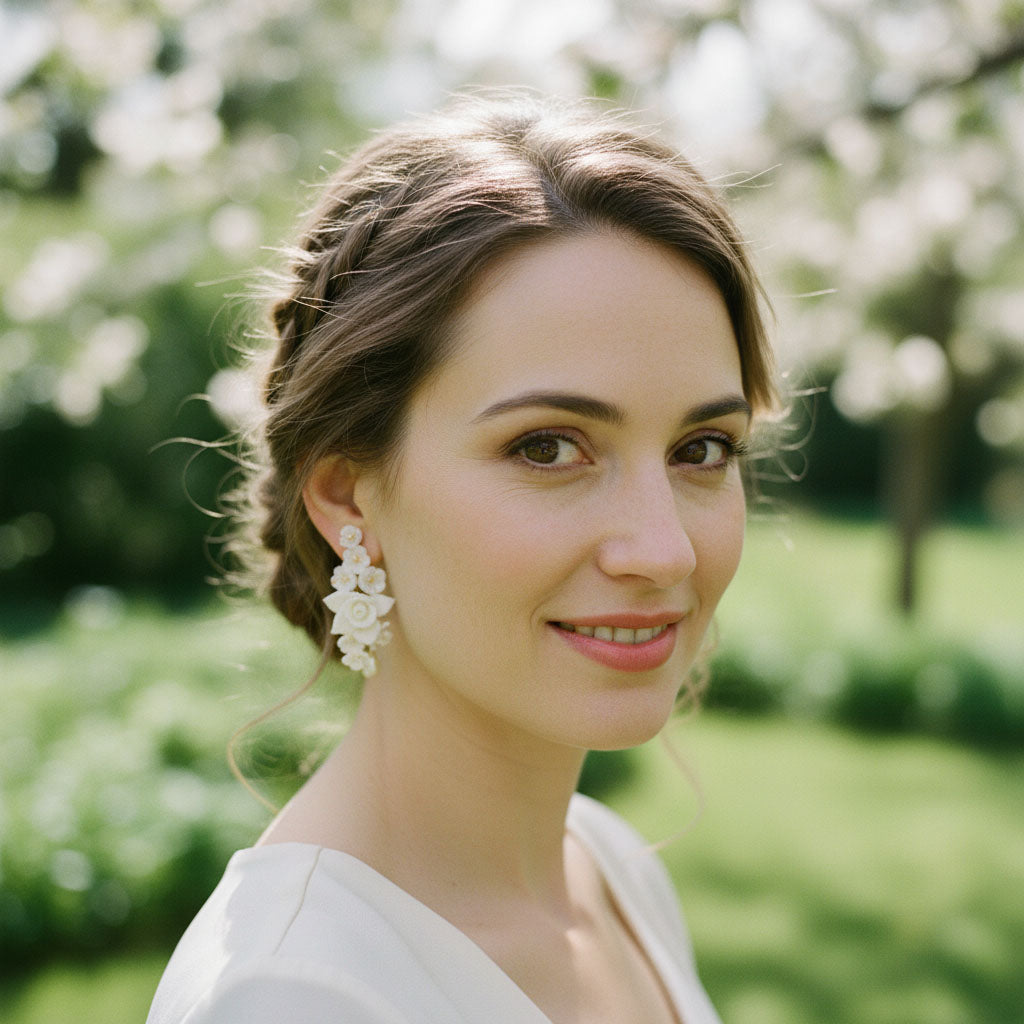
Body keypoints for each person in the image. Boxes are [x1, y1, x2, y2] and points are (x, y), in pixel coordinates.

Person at [147, 90, 778, 1024]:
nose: (663, 548)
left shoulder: (606, 868)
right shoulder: (294, 997)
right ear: (348, 495)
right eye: (548, 448)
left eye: (701, 450)